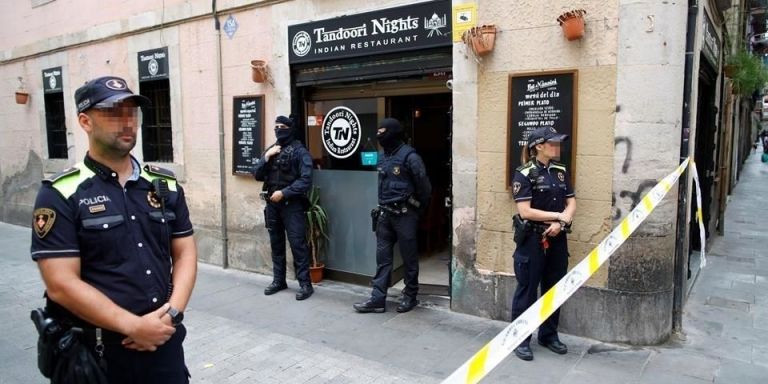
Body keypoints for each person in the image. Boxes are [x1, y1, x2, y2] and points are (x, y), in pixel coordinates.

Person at [30, 76, 197, 383]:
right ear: (85, 121)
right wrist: (133, 326)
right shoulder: (61, 194)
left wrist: (171, 315)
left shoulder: (165, 186)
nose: (127, 121)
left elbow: (185, 253)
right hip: (96, 355)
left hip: (163, 341)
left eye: (132, 112)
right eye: (112, 112)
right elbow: (61, 283)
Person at [510, 126, 576, 361]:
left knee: (554, 288)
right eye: (553, 142)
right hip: (533, 240)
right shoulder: (524, 173)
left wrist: (563, 221)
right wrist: (557, 217)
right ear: (539, 146)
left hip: (557, 238)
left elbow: (571, 202)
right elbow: (525, 211)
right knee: (527, 290)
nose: (557, 146)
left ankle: (548, 335)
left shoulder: (560, 171)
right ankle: (520, 338)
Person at [353, 118, 431, 313]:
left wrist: (417, 212)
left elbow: (424, 188)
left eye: (383, 132)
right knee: (383, 260)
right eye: (378, 132)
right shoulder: (382, 157)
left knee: (409, 259)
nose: (379, 136)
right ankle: (377, 299)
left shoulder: (410, 157)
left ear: (394, 133)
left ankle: (410, 296)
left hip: (405, 215)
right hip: (385, 216)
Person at [253, 115, 314, 300]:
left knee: (298, 245)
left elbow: (306, 180)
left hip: (292, 205)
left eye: (282, 126)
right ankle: (279, 280)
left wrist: (285, 192)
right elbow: (256, 174)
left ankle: (305, 284)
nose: (278, 129)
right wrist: (266, 157)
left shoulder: (300, 151)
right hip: (272, 205)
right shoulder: (272, 150)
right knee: (276, 244)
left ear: (290, 128)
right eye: (276, 126)